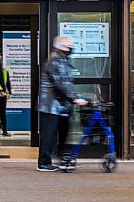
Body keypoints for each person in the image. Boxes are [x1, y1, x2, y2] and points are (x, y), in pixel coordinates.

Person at [37, 36, 87, 172]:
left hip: (59, 105)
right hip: (50, 105)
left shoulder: (62, 59)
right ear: (62, 46)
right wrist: (75, 98)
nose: (72, 47)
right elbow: (61, 83)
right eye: (70, 45)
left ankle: (62, 158)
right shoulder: (56, 60)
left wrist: (73, 98)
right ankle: (43, 162)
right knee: (49, 135)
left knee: (63, 132)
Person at [0, 67, 12, 137]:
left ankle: (4, 130)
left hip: (3, 94)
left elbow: (8, 82)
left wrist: (9, 92)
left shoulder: (5, 70)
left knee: (3, 112)